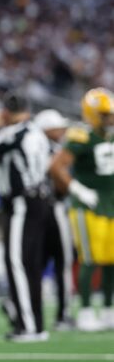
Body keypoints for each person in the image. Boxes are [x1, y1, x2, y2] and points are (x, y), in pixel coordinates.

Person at [0, 92, 51, 341]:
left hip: (22, 202)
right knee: (30, 265)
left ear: (6, 112)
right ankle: (35, 324)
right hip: (39, 199)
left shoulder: (14, 132)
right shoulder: (36, 131)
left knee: (17, 263)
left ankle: (27, 325)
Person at [49, 88, 114, 332]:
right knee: (89, 259)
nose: (110, 119)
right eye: (106, 115)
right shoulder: (80, 136)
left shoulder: (109, 137)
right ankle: (86, 311)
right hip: (87, 206)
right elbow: (57, 167)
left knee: (111, 261)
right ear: (93, 114)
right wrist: (78, 191)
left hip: (110, 204)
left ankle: (108, 310)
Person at [33, 109, 76, 330]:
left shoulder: (32, 146)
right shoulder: (52, 149)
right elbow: (58, 180)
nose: (62, 131)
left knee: (35, 263)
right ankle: (63, 314)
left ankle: (20, 305)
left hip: (35, 211)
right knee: (63, 261)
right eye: (57, 127)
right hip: (53, 208)